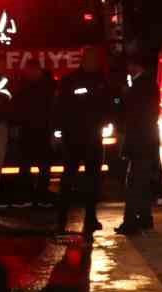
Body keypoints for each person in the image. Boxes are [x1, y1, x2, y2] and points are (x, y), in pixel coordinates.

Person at [55, 44, 112, 235]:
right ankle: (61, 219)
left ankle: (90, 218)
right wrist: (58, 132)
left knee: (93, 181)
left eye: (96, 58)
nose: (94, 61)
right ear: (84, 59)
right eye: (91, 58)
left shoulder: (102, 80)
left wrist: (109, 121)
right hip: (74, 138)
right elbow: (60, 107)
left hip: (94, 138)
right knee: (68, 180)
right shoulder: (70, 80)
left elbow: (109, 103)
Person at [115, 46, 161, 236]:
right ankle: (144, 218)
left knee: (134, 183)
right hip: (146, 141)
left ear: (134, 66)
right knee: (140, 182)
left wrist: (124, 96)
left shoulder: (140, 87)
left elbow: (135, 116)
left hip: (140, 142)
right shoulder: (148, 85)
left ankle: (131, 222)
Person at [13, 58, 57, 203]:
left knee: (42, 164)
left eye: (30, 71)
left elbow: (53, 108)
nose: (29, 73)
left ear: (37, 70)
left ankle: (40, 193)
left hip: (42, 129)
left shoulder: (48, 86)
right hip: (28, 129)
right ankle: (30, 193)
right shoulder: (27, 84)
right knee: (26, 164)